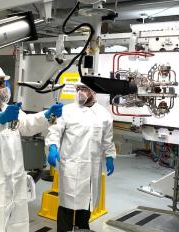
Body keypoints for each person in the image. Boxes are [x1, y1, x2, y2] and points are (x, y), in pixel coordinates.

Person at [0, 62, 63, 232]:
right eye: (0, 83)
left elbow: (28, 125)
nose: (5, 87)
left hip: (14, 184)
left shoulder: (9, 109)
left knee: (16, 226)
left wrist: (47, 115)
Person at [45, 83, 116, 232]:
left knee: (87, 200)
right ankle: (64, 229)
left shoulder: (104, 114)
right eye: (78, 89)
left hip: (92, 166)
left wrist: (110, 156)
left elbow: (107, 139)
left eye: (84, 89)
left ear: (93, 91)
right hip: (71, 164)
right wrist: (52, 147)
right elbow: (54, 131)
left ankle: (82, 228)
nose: (80, 92)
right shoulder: (67, 110)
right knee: (67, 202)